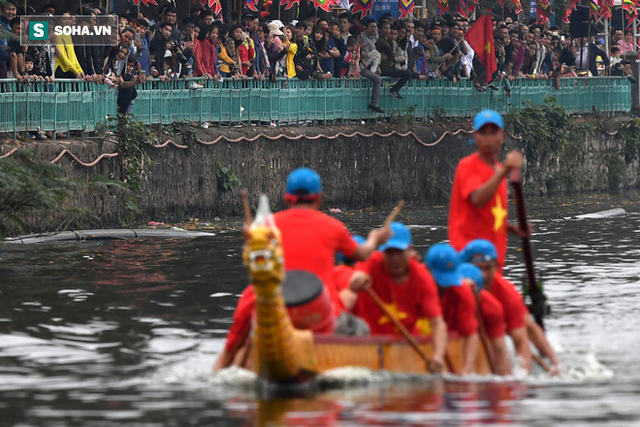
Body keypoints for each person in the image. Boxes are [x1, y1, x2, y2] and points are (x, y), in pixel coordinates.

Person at [214, 168, 392, 371]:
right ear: (319, 199)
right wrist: (375, 239)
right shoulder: (333, 226)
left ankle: (224, 364)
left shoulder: (266, 226)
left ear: (287, 198)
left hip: (274, 306)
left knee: (234, 343)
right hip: (321, 313)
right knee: (361, 328)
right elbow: (362, 254)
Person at [347, 222, 447, 373]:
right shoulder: (373, 261)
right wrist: (357, 280)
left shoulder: (423, 279)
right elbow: (358, 275)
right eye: (390, 253)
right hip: (368, 345)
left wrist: (438, 356)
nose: (394, 259)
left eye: (399, 252)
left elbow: (437, 323)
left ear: (410, 250)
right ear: (382, 253)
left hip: (405, 347)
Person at [460, 239, 561, 374]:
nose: (483, 275)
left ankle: (554, 361)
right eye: (477, 268)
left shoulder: (507, 293)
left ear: (496, 266)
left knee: (527, 324)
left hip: (494, 319)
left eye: (488, 268)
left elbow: (520, 341)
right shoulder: (453, 282)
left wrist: (521, 376)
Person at [448, 109, 528, 271]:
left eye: (493, 132)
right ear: (475, 137)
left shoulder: (498, 170)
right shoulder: (467, 166)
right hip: (470, 260)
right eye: (483, 133)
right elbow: (478, 199)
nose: (488, 139)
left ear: (502, 136)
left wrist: (514, 228)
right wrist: (505, 171)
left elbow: (491, 215)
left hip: (493, 260)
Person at [425, 243, 478, 375]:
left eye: (447, 281)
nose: (444, 287)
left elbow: (470, 334)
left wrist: (467, 369)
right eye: (440, 280)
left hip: (445, 338)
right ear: (427, 270)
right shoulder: (417, 282)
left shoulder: (462, 291)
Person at [458, 262, 512, 376]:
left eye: (470, 294)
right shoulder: (445, 296)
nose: (466, 299)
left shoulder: (492, 308)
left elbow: (499, 351)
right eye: (462, 294)